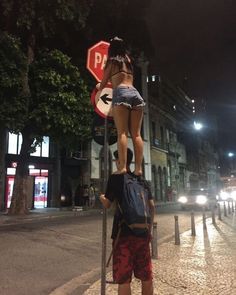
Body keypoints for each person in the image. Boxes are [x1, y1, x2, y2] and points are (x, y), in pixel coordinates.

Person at [100, 148, 155, 295]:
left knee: (124, 278)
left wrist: (101, 197)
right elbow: (152, 207)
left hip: (122, 235)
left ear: (119, 161)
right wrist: (148, 232)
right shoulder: (141, 179)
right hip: (143, 235)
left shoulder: (116, 178)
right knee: (146, 275)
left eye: (116, 160)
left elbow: (107, 204)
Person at [98, 37, 145, 176]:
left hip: (121, 93)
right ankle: (138, 169)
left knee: (122, 133)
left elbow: (103, 83)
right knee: (137, 134)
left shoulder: (112, 61)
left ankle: (123, 167)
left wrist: (99, 88)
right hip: (135, 94)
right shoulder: (128, 61)